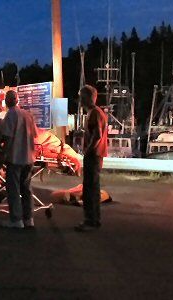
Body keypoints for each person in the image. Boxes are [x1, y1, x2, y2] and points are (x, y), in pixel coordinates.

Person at [0, 90, 37, 229]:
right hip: (29, 157)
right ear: (18, 100)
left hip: (15, 157)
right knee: (26, 189)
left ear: (7, 101)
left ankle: (16, 219)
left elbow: (8, 137)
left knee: (13, 189)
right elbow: (34, 135)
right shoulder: (28, 115)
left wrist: (3, 154)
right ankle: (29, 218)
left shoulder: (10, 115)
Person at [74, 85, 108, 232]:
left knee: (89, 188)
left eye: (82, 97)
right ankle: (95, 219)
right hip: (97, 155)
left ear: (88, 97)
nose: (80, 100)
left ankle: (90, 220)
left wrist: (87, 151)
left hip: (93, 156)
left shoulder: (94, 113)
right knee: (93, 187)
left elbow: (97, 135)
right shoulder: (98, 113)